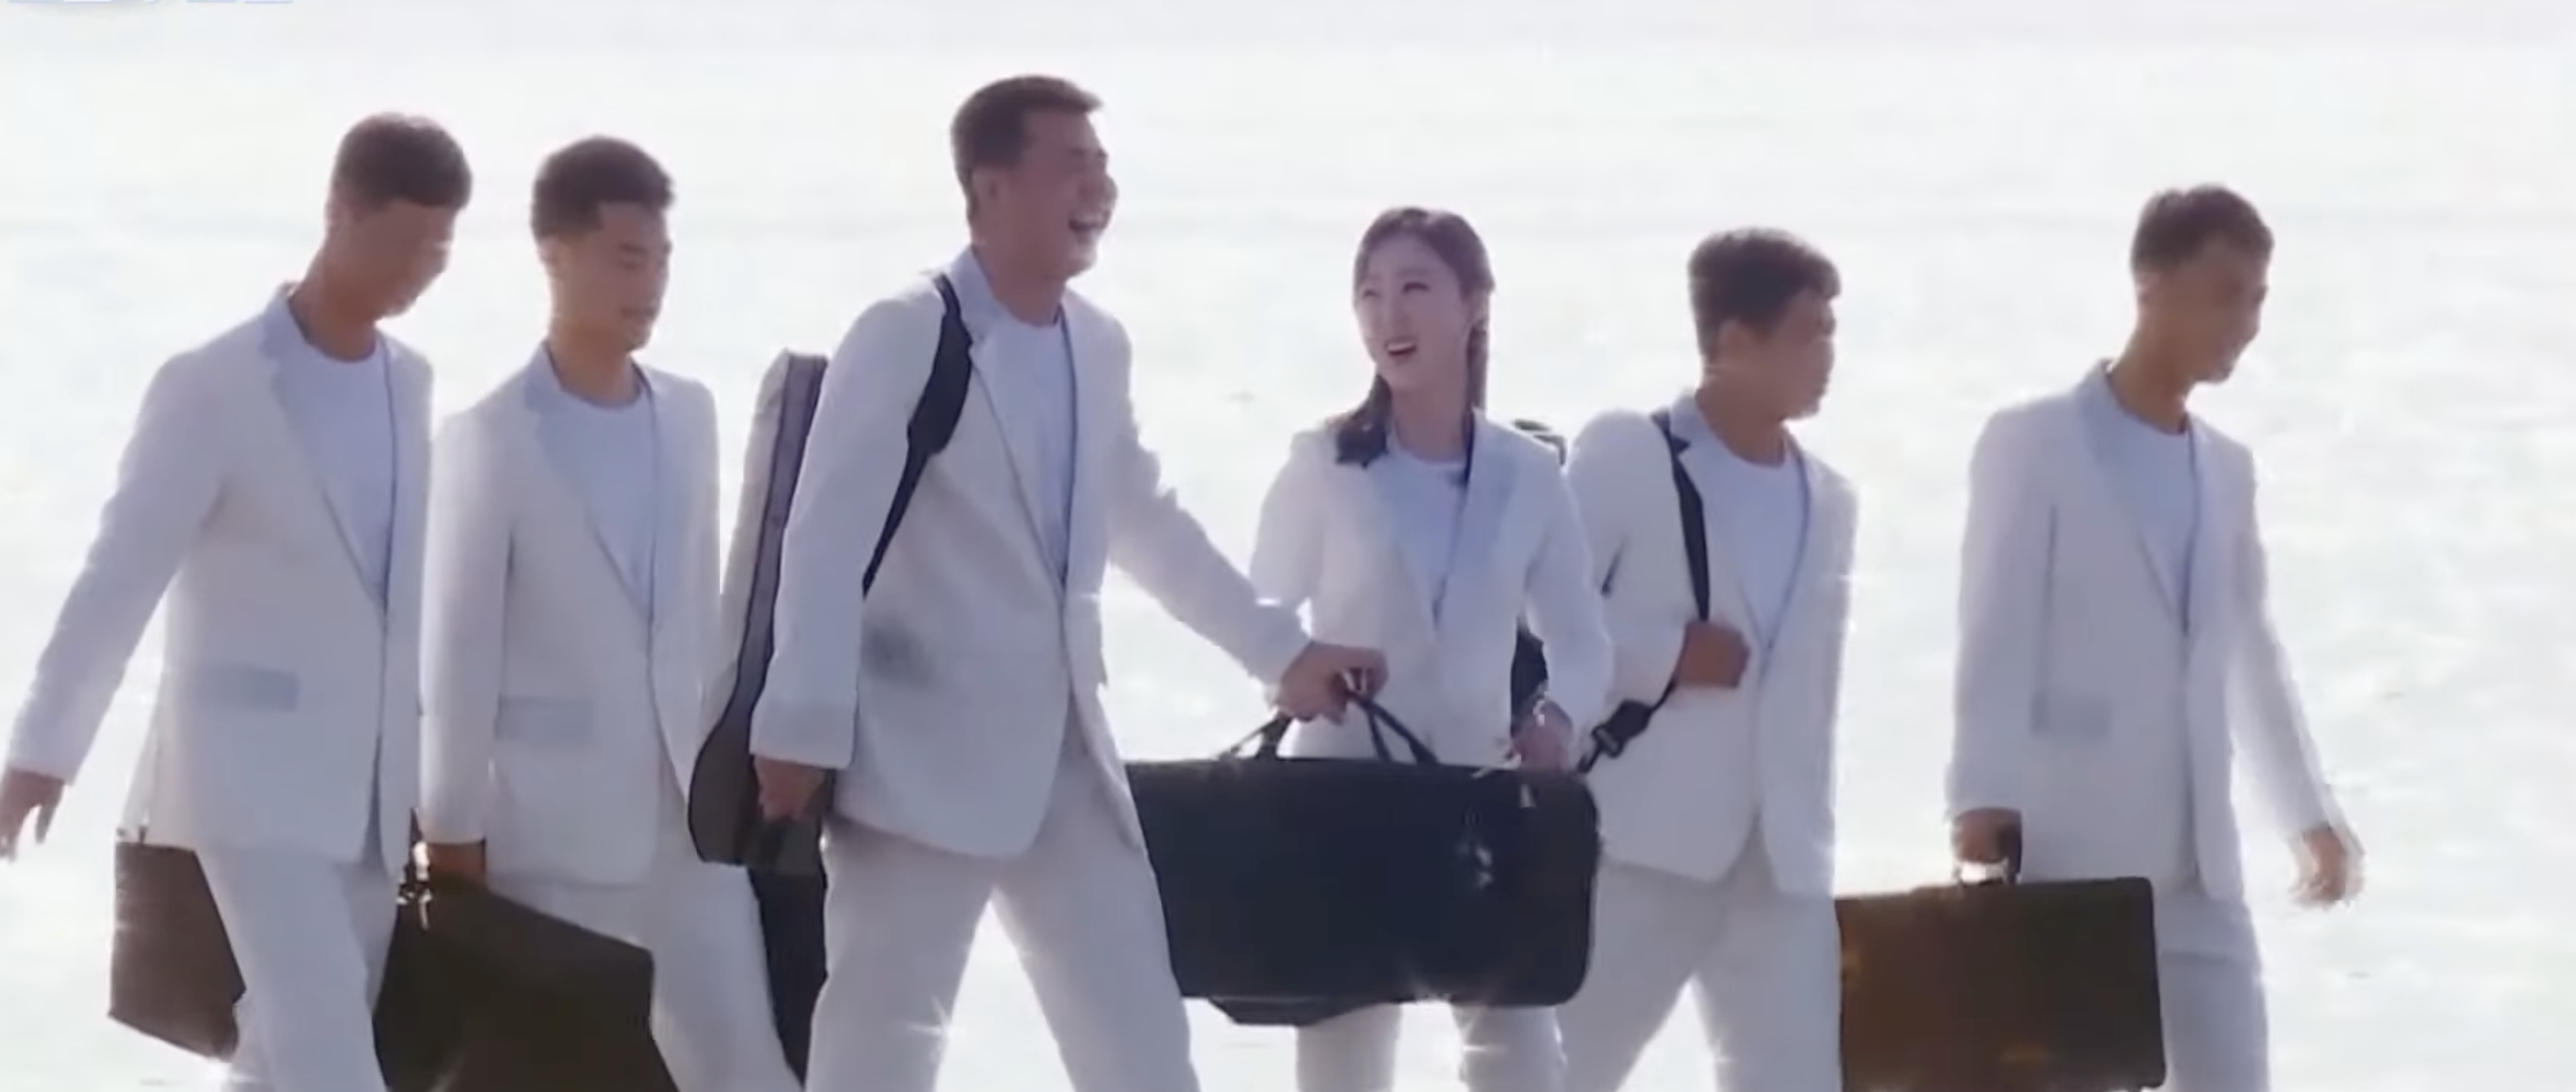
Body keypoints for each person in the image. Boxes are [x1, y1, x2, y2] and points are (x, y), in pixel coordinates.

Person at [743, 74, 1388, 1092]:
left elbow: (1147, 523)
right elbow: (824, 538)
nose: (1096, 188)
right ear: (990, 187)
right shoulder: (911, 327)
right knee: (885, 1036)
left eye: (1102, 167)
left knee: (1137, 1038)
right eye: (1069, 166)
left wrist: (1281, 652)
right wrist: (798, 729)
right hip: (919, 757)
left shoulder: (1097, 344)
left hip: (1066, 756)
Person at [0, 114, 469, 1092]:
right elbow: (117, 575)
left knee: (281, 1056)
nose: (419, 272)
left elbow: (409, 601)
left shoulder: (411, 385)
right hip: (247, 784)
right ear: (338, 213)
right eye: (402, 244)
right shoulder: (213, 386)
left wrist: (439, 775)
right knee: (329, 1045)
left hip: (372, 795)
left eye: (438, 251)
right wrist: (40, 755)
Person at [1946, 185, 2363, 1092]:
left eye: (2258, 298)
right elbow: (1994, 629)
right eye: (2226, 293)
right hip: (2071, 855)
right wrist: (1979, 794)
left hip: (2201, 871)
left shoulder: (2225, 468)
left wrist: (2308, 815)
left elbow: (2250, 652)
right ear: (2150, 285)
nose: (2245, 322)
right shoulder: (2037, 442)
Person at [415, 136, 800, 1092]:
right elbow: (454, 652)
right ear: (556, 252)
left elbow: (708, 615)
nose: (652, 284)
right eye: (629, 259)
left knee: (748, 1068)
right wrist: (451, 830)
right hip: (548, 837)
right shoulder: (491, 437)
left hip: (690, 824)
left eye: (662, 260)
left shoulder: (690, 414)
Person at [1244, 206, 1614, 1092]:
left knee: (1520, 1055)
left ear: (1474, 305)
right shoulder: (1326, 461)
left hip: (1479, 798)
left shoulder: (1528, 472)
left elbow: (1583, 640)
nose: (1389, 317)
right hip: (1341, 794)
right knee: (1344, 1060)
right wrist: (1293, 668)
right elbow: (1260, 612)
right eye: (1369, 296)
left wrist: (1558, 722)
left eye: (1415, 289)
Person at [1553, 228, 1856, 1092]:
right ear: (1732, 342)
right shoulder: (1629, 452)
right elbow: (1536, 624)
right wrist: (1665, 656)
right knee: (1564, 1071)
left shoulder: (1831, 498)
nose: (1827, 355)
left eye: (1831, 330)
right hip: (1641, 843)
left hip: (1783, 859)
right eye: (1810, 333)